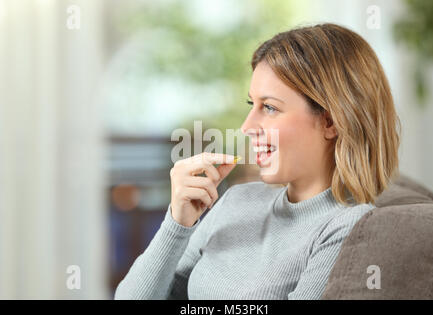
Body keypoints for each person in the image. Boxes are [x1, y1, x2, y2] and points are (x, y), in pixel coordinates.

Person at [114, 23, 401, 300]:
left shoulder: (349, 227)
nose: (247, 126)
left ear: (331, 121)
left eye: (270, 107)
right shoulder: (238, 200)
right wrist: (177, 223)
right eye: (253, 105)